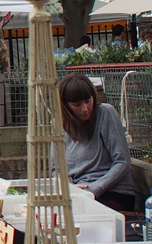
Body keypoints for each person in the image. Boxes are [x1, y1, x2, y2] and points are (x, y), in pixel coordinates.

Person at [58, 73, 136, 212]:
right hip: (78, 194)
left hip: (113, 193)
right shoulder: (59, 126)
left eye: (88, 100)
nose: (85, 108)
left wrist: (93, 190)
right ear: (65, 106)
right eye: (77, 104)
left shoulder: (105, 113)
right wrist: (69, 188)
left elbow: (122, 162)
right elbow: (56, 169)